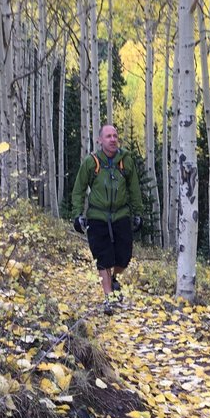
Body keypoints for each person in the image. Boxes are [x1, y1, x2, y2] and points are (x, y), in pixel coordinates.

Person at [71, 125, 143, 312]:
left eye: (115, 136)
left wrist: (138, 213)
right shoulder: (91, 162)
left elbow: (134, 189)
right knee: (103, 257)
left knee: (124, 257)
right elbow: (79, 190)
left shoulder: (125, 161)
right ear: (100, 140)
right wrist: (77, 214)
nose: (113, 139)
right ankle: (109, 297)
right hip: (97, 216)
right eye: (108, 136)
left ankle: (113, 279)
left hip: (121, 214)